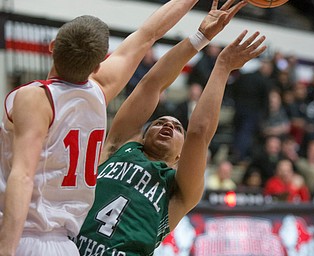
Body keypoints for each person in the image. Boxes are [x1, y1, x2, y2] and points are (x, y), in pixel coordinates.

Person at [0, 0, 203, 255]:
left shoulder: (35, 97)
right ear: (97, 65)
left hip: (22, 234)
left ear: (52, 47)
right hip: (65, 245)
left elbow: (23, 177)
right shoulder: (99, 93)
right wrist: (201, 33)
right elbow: (147, 34)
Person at [74, 1, 267, 254]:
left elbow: (198, 133)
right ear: (142, 138)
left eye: (177, 128)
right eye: (159, 123)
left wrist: (222, 67)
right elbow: (151, 85)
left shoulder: (179, 191)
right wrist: (200, 38)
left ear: (179, 156)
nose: (167, 124)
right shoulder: (116, 147)